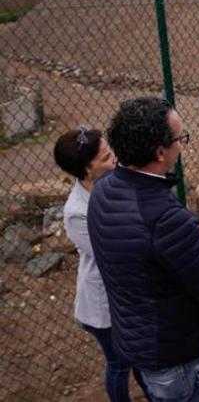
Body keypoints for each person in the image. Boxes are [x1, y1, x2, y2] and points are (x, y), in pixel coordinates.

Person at [88, 97, 199, 402]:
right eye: (179, 138)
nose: (181, 145)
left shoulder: (104, 188)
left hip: (136, 341)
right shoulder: (166, 219)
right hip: (177, 354)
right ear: (160, 151)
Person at [54, 127, 151, 402]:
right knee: (120, 363)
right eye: (107, 157)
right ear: (87, 170)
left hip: (128, 295)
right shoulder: (76, 212)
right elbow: (115, 251)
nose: (116, 159)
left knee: (141, 357)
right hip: (104, 306)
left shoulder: (117, 180)